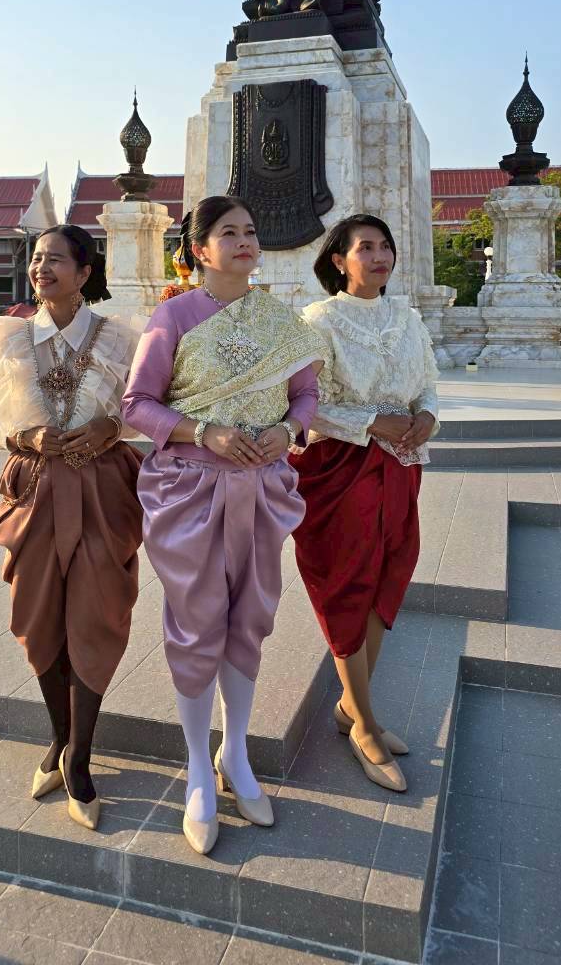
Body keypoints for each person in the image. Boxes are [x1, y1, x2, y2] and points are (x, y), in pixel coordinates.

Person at [122, 196, 322, 855]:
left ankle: (234, 756)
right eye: (228, 232)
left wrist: (287, 432)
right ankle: (193, 769)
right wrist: (202, 429)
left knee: (251, 617)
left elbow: (305, 396)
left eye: (251, 231)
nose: (244, 241)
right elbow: (138, 404)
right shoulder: (174, 315)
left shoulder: (282, 322)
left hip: (262, 488)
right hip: (190, 490)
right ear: (200, 249)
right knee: (197, 619)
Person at [0, 225, 142, 832]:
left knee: (97, 616)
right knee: (37, 614)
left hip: (102, 490)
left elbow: (144, 401)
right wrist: (21, 437)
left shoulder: (121, 339)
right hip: (34, 490)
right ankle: (60, 739)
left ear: (85, 271)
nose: (42, 269)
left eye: (56, 260)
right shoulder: (9, 338)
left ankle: (82, 758)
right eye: (37, 260)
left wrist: (112, 427)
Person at [291, 214, 439, 793]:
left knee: (388, 576)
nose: (379, 256)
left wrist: (426, 415)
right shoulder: (318, 321)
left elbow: (427, 382)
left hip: (401, 468)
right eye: (365, 248)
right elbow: (307, 401)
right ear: (338, 260)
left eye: (385, 247)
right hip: (340, 468)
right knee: (347, 581)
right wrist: (374, 420)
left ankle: (352, 705)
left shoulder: (407, 319)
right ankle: (366, 722)